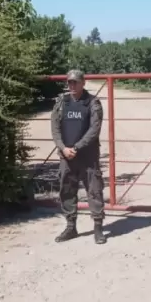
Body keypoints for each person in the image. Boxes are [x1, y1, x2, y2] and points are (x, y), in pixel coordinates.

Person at [50, 69, 107, 245]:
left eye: (75, 82)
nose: (72, 85)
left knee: (94, 191)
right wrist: (62, 147)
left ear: (83, 83)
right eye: (69, 82)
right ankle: (71, 227)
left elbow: (94, 130)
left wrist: (76, 147)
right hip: (67, 156)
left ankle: (98, 229)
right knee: (67, 190)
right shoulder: (62, 102)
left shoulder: (92, 103)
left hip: (88, 157)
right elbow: (55, 128)